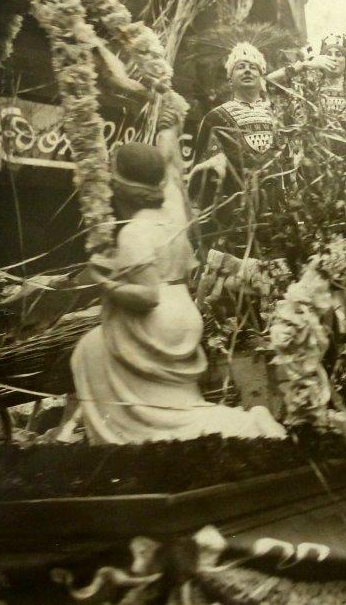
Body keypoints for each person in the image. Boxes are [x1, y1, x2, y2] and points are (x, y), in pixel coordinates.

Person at [71, 143, 285, 444]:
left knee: (89, 351)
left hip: (155, 320)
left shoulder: (134, 232)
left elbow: (147, 297)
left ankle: (138, 436)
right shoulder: (172, 217)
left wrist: (105, 284)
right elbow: (173, 169)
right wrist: (168, 130)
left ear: (119, 188)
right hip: (183, 309)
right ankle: (228, 423)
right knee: (168, 398)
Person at [188, 42, 279, 252]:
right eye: (240, 66)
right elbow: (202, 177)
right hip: (232, 217)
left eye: (253, 67)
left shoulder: (279, 115)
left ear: (262, 76)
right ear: (230, 78)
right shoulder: (215, 118)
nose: (247, 71)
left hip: (278, 213)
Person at [268, 33, 346, 130]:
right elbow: (268, 81)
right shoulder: (306, 92)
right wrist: (304, 65)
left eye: (339, 54)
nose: (333, 58)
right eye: (328, 54)